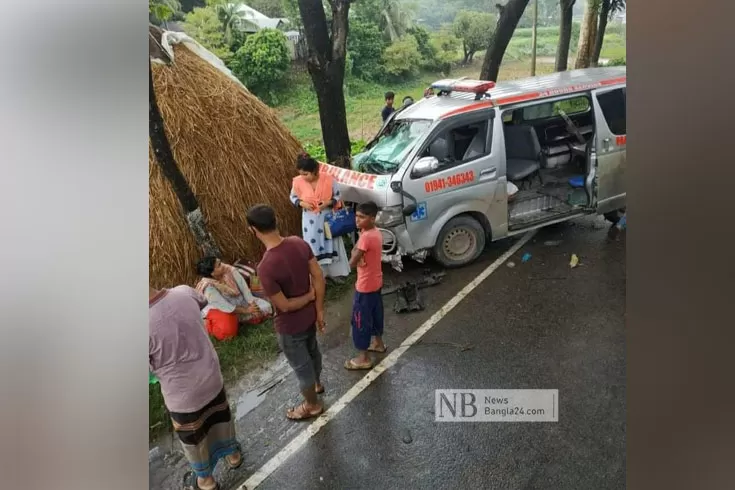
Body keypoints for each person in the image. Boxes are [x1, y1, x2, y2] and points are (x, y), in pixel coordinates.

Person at [149, 285, 242, 490]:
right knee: (221, 418)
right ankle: (233, 455)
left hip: (183, 396)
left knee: (195, 439)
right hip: (211, 377)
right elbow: (202, 302)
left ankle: (205, 481)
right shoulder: (183, 292)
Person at [246, 204, 327, 420]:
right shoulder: (298, 243)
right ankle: (317, 385)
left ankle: (312, 405)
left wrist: (309, 298)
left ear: (253, 230)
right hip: (310, 317)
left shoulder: (265, 267)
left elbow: (285, 306)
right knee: (313, 352)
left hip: (290, 327)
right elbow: (318, 276)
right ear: (276, 221)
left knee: (302, 367)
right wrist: (318, 309)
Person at [290, 152, 350, 282]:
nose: (303, 177)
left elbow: (338, 195)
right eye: (301, 174)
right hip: (310, 221)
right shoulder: (297, 182)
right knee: (313, 246)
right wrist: (302, 203)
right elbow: (293, 197)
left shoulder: (329, 179)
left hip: (327, 219)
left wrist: (327, 203)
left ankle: (336, 274)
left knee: (332, 243)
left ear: (315, 171)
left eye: (306, 174)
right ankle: (320, 276)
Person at [344, 201, 386, 370]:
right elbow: (357, 250)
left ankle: (363, 358)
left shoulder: (366, 237)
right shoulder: (374, 232)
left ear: (372, 218)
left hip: (364, 286)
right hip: (376, 282)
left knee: (360, 320)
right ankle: (378, 343)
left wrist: (353, 257)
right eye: (356, 216)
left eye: (362, 217)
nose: (357, 220)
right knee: (376, 313)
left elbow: (352, 262)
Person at [195, 256, 273, 341]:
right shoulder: (208, 287)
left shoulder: (230, 270)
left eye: (221, 262)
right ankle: (241, 320)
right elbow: (225, 306)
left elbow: (244, 289)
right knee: (228, 329)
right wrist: (247, 310)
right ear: (212, 273)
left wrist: (253, 306)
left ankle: (246, 319)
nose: (223, 265)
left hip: (242, 301)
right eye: (219, 265)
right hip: (225, 310)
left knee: (267, 306)